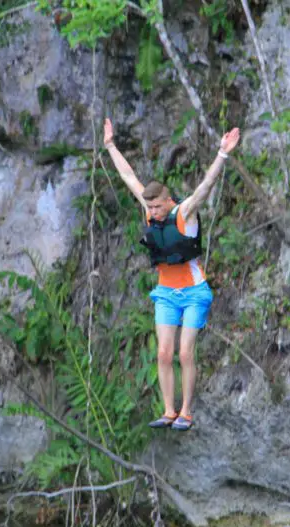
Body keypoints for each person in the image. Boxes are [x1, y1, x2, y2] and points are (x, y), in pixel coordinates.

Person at [103, 117, 240, 431]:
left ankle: (186, 412)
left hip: (194, 292)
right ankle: (168, 410)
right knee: (164, 353)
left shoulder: (184, 211)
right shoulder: (150, 209)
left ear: (168, 201)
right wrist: (110, 145)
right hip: (166, 293)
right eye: (148, 208)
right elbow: (128, 175)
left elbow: (205, 188)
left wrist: (222, 154)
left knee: (184, 351)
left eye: (156, 207)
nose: (152, 213)